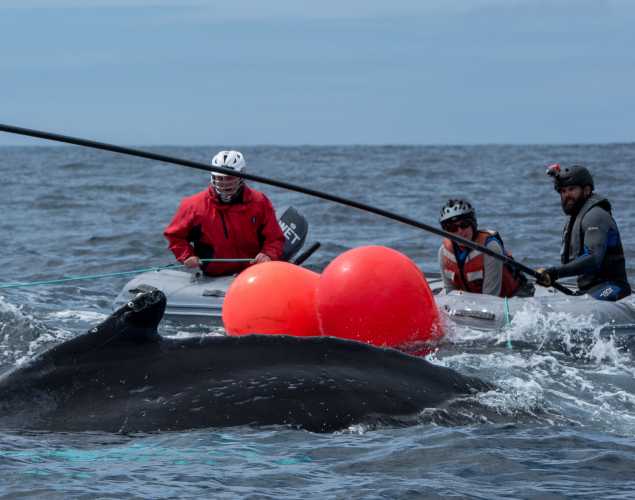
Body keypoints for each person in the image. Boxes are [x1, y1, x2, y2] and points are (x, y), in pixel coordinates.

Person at [164, 150, 285, 276]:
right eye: (219, 178)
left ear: (241, 176)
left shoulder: (260, 202)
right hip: (213, 277)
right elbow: (175, 236)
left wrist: (268, 254)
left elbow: (275, 238)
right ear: (212, 177)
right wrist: (187, 256)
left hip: (253, 274)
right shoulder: (193, 205)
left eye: (229, 178)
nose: (224, 183)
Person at [536, 164, 631, 301]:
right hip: (589, 289)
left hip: (614, 287)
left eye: (571, 189)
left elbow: (593, 259)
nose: (566, 195)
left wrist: (555, 273)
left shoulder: (595, 216)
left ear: (586, 190)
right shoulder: (576, 217)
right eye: (563, 191)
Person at [438, 198, 530, 297]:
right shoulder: (443, 252)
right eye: (452, 228)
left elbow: (490, 296)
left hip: (508, 298)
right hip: (471, 300)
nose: (460, 231)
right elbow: (450, 291)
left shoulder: (490, 248)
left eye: (464, 225)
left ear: (472, 224)